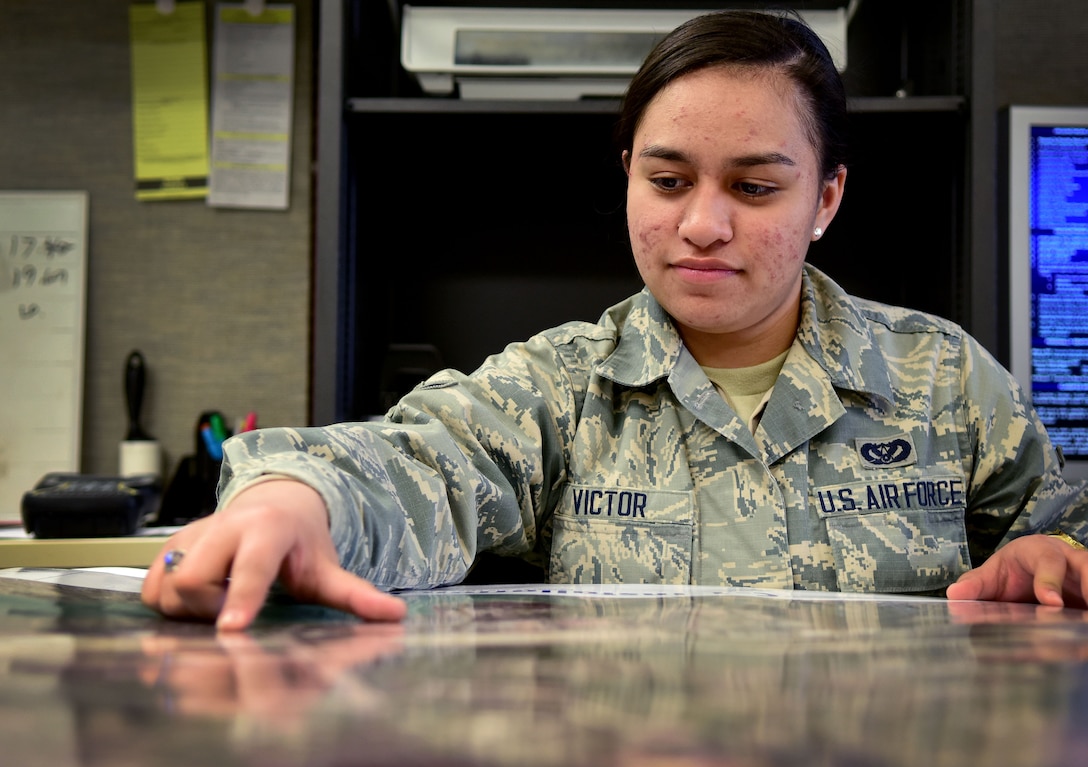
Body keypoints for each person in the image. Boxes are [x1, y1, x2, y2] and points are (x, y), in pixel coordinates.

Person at [142, 10, 1088, 630]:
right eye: (667, 181)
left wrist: (1064, 552)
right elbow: (413, 464)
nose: (703, 225)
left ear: (828, 198)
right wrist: (295, 503)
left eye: (755, 186)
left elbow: (1064, 524)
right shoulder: (560, 389)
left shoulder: (945, 379)